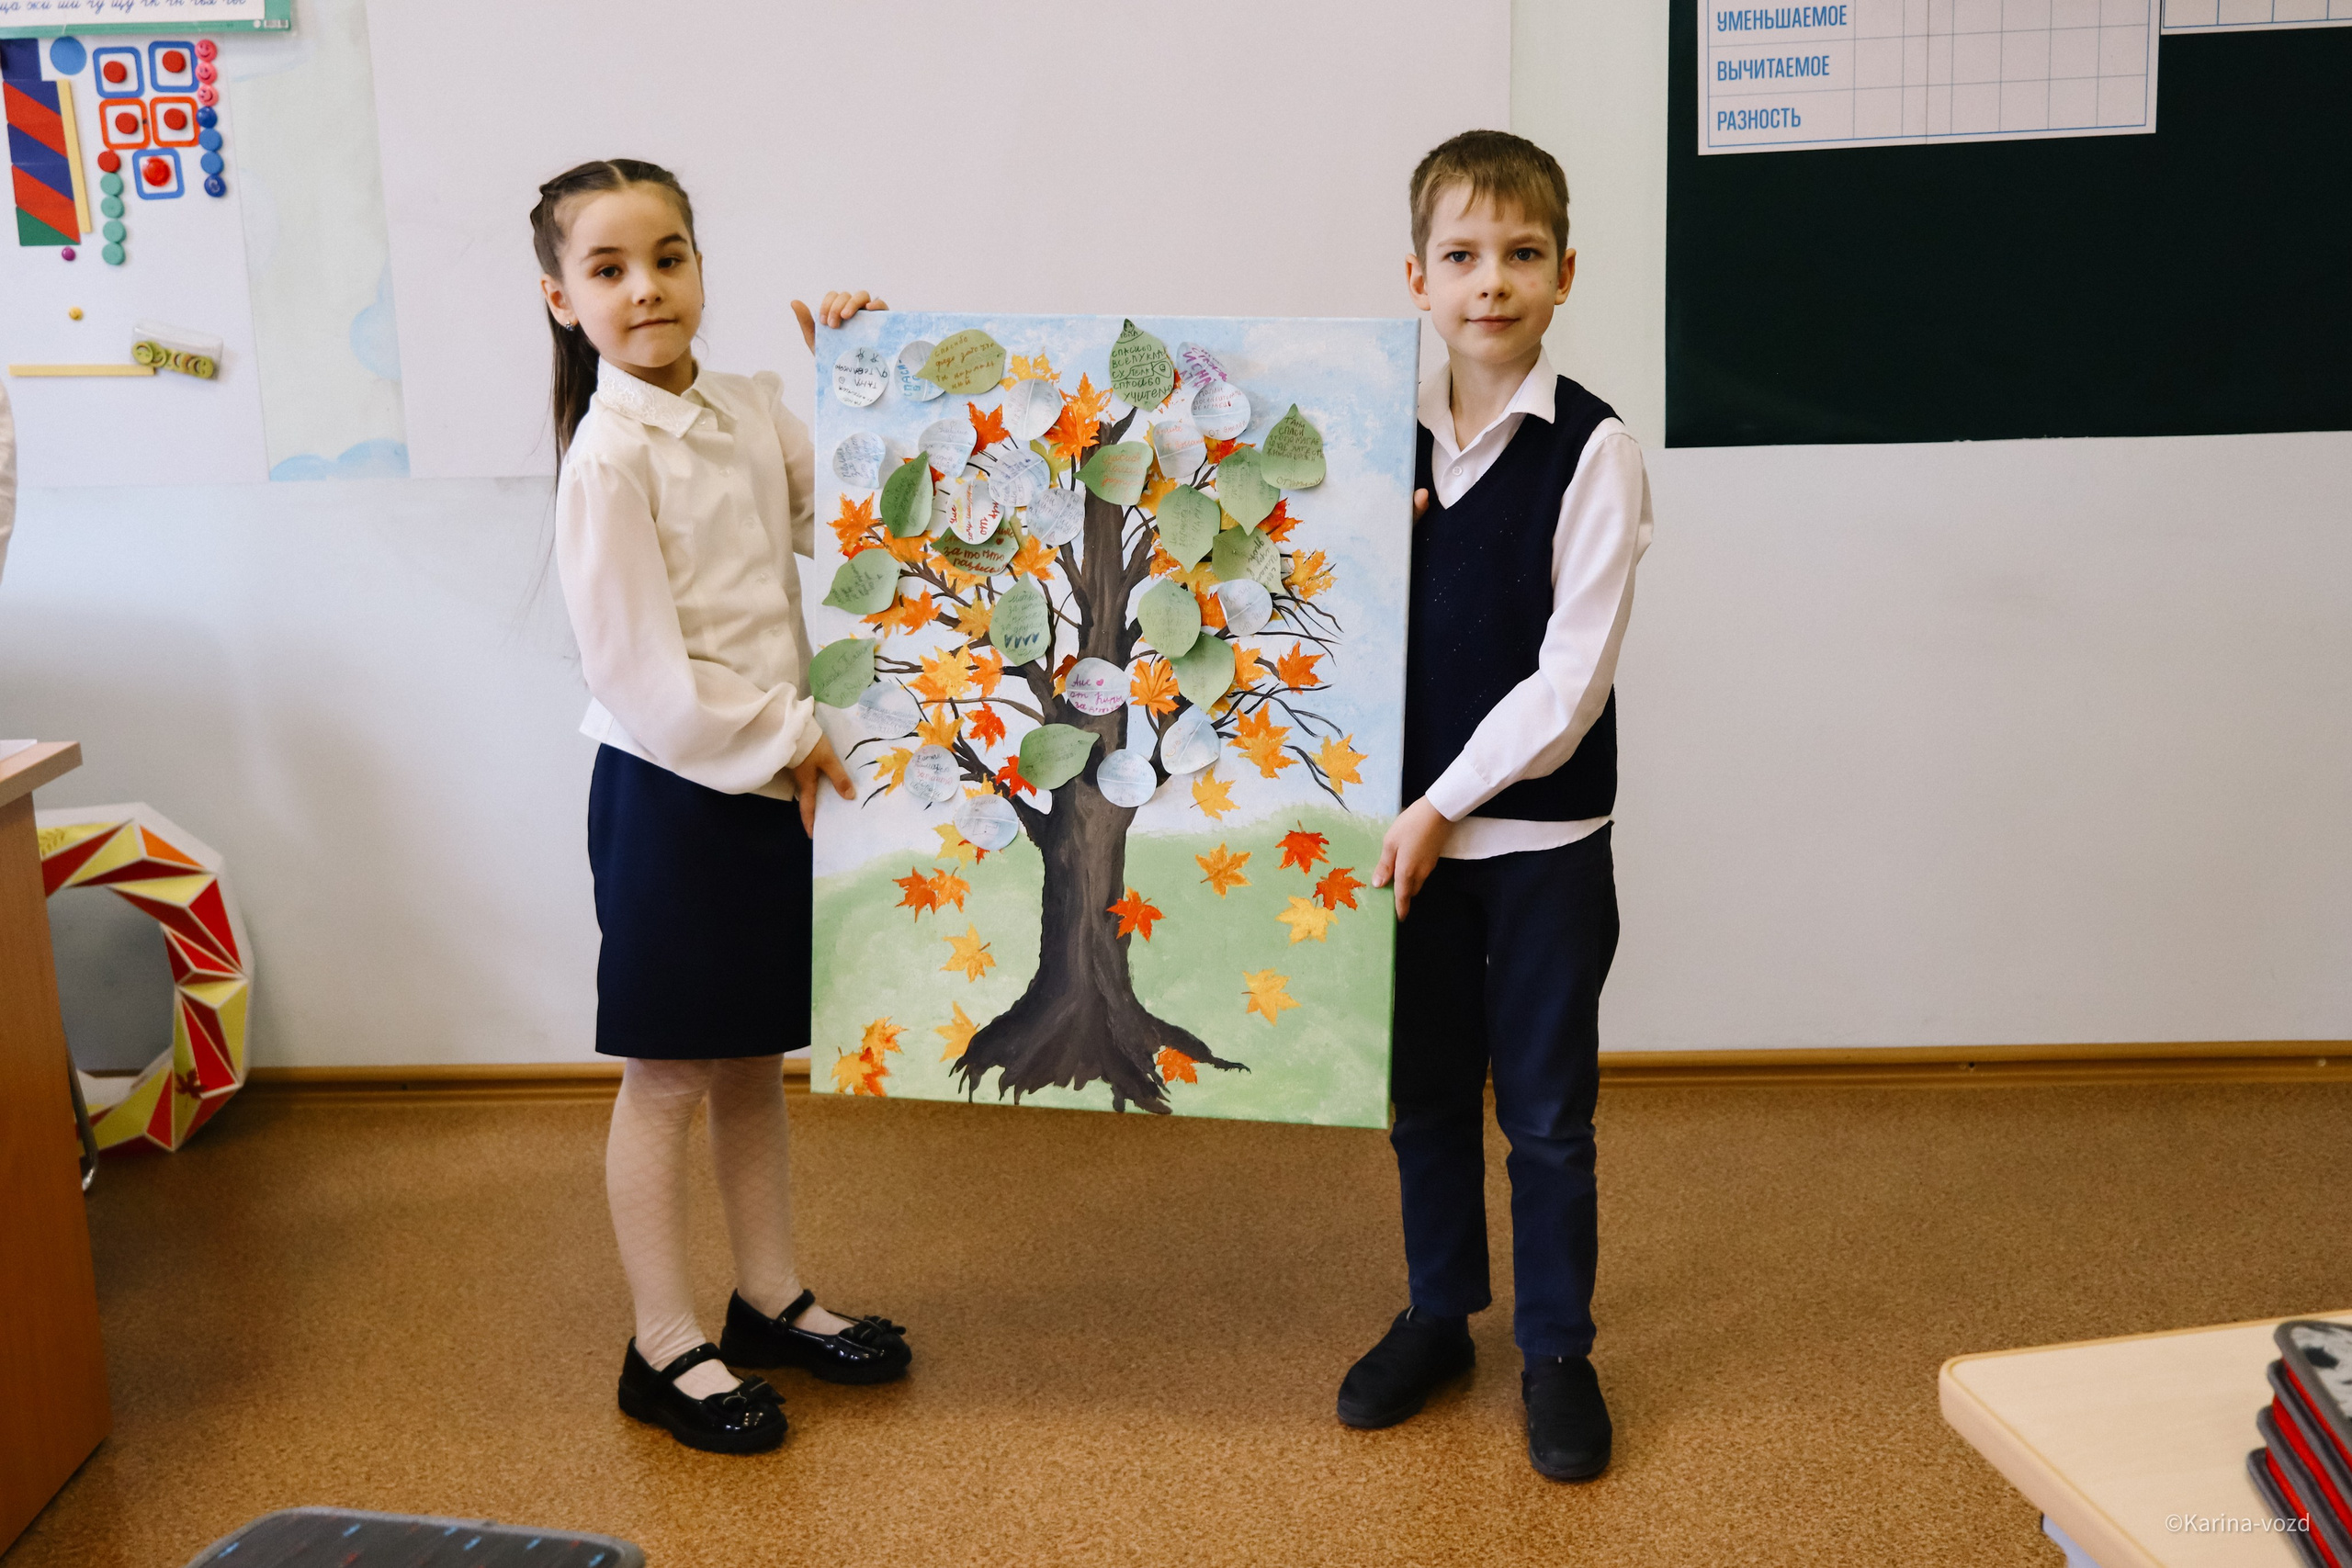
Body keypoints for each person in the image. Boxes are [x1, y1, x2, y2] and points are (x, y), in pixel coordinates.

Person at [533, 157, 903, 1455]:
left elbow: (852, 527)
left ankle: (767, 1295)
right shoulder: (607, 457)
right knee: (670, 1070)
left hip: (769, 780)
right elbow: (641, 679)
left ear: (699, 265)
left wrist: (862, 371)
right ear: (562, 299)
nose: (647, 289)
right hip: (673, 790)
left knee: (753, 1057)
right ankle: (661, 1343)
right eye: (610, 269)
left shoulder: (748, 406)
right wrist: (804, 735)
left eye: (669, 257)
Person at [1354, 130, 1655, 1482]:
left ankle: (1556, 1349)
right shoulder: (1368, 438)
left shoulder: (1594, 451)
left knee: (1543, 1112)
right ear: (1414, 275)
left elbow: (1568, 684)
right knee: (1424, 1093)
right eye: (1463, 256)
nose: (1492, 282)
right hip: (1405, 840)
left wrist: (1442, 805)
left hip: (1537, 847)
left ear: (1565, 272)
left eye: (1521, 255)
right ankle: (1439, 1316)